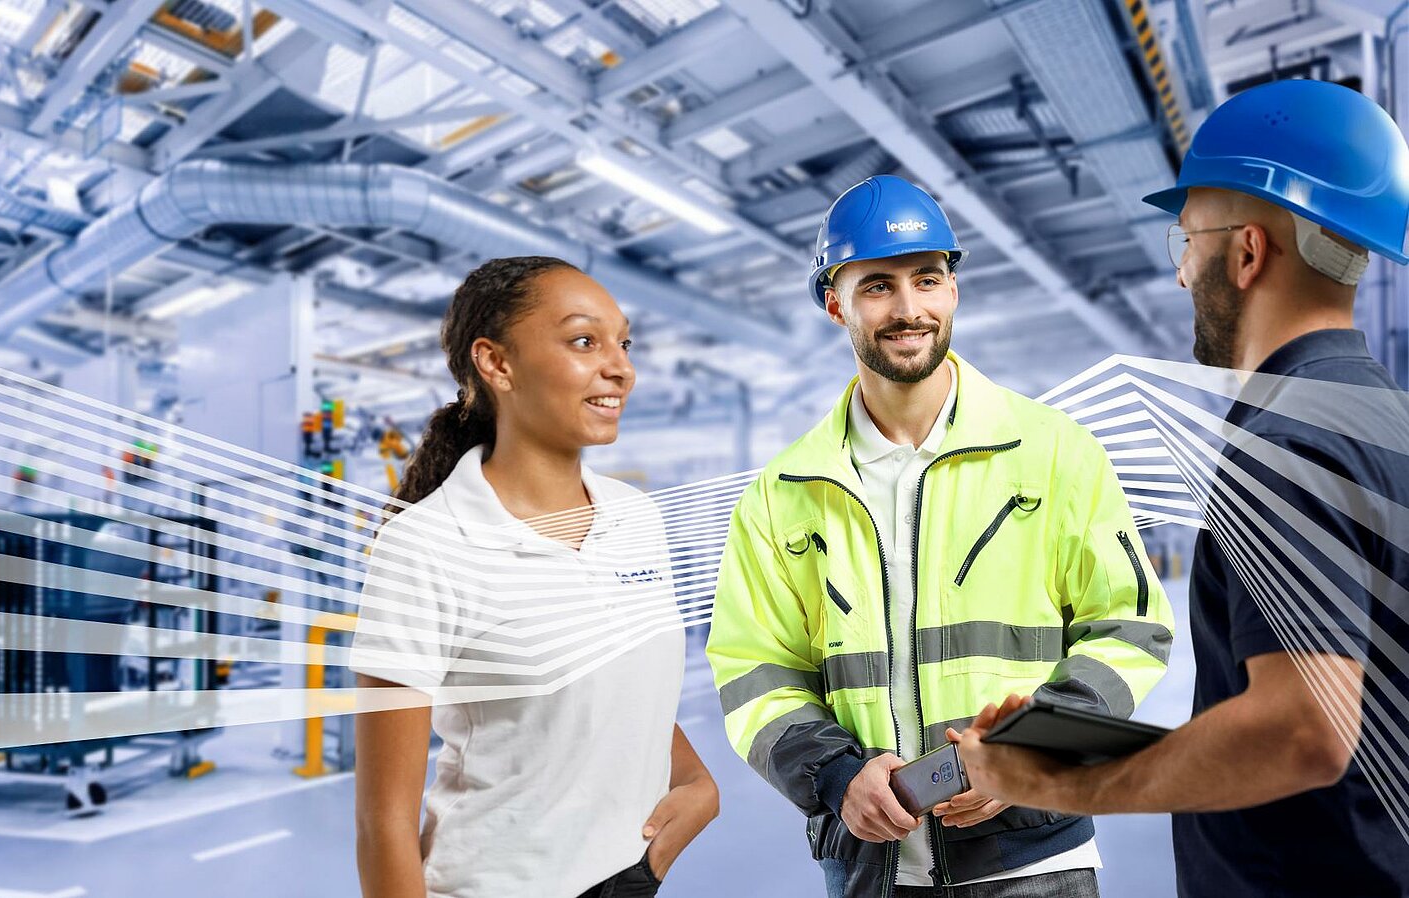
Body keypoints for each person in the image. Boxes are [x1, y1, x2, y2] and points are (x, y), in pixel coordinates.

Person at [955, 79, 1409, 897]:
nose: (1179, 276)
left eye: (1186, 242)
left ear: (1246, 251)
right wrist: (1079, 741)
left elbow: (1303, 730)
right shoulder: (1387, 425)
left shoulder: (1286, 445)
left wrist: (1049, 785)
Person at [705, 175, 1173, 897]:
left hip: (1033, 861)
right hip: (868, 868)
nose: (907, 308)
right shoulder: (781, 494)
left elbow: (1131, 630)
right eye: (877, 286)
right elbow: (755, 671)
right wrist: (835, 777)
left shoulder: (1053, 453)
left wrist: (1029, 755)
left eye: (927, 279)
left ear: (953, 291)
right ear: (836, 303)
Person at [351, 256, 719, 898]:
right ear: (497, 364)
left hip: (626, 878)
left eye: (623, 343)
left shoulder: (636, 518)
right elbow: (383, 822)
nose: (621, 368)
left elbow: (626, 685)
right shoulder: (424, 546)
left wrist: (695, 789)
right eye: (584, 341)